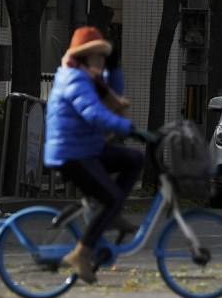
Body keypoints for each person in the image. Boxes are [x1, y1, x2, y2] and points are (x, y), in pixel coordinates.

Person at [44, 26, 146, 284]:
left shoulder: (91, 78)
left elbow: (114, 93)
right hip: (71, 154)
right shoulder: (74, 79)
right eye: (98, 57)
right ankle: (80, 254)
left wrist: (115, 67)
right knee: (111, 197)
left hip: (88, 148)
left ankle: (112, 215)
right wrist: (129, 129)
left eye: (104, 57)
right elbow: (93, 112)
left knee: (135, 160)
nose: (101, 61)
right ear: (84, 57)